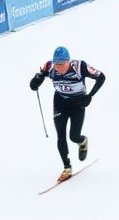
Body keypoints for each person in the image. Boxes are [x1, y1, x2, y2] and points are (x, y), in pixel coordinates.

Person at [29, 46, 106, 182]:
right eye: (57, 64)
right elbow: (38, 77)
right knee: (61, 135)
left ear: (68, 62)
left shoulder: (80, 67)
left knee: (73, 136)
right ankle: (67, 167)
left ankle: (82, 141)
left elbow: (101, 77)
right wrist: (36, 82)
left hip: (78, 104)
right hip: (60, 103)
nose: (59, 68)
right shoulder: (50, 66)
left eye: (62, 64)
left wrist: (90, 96)